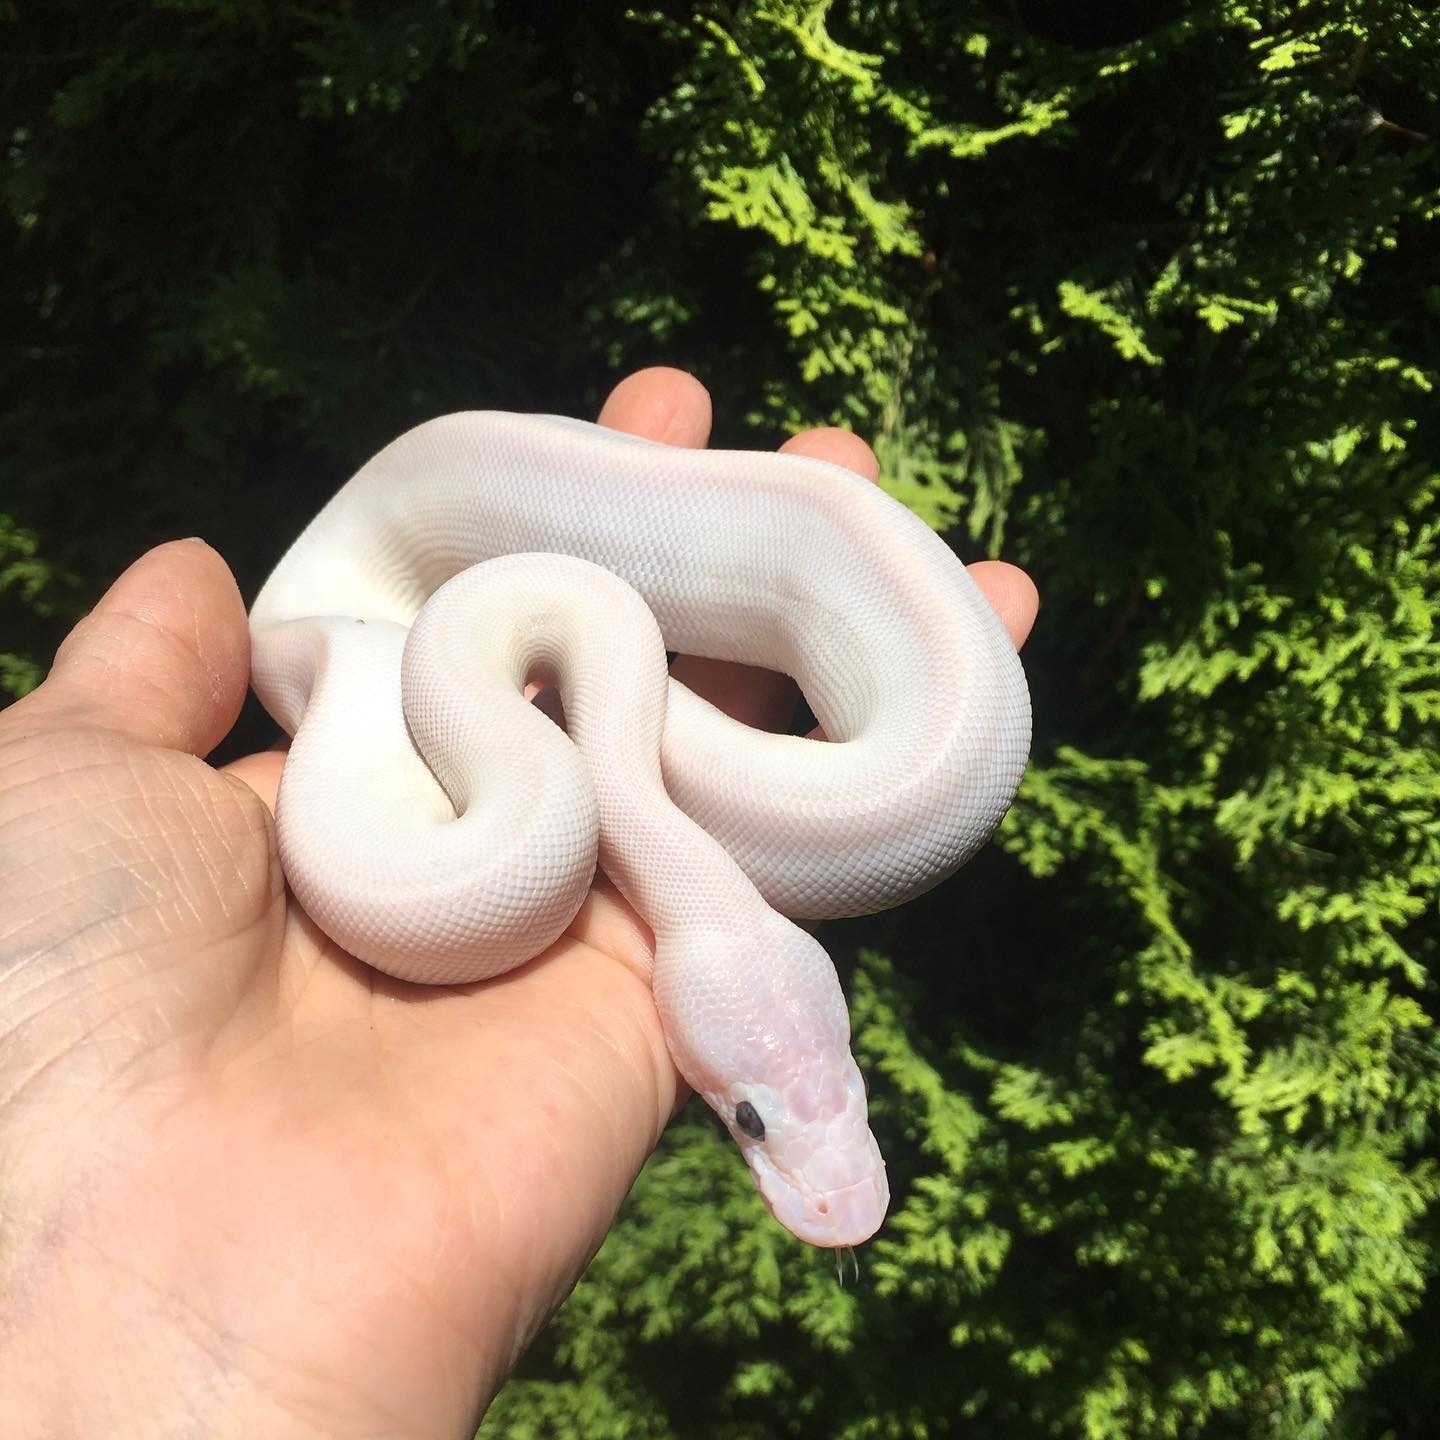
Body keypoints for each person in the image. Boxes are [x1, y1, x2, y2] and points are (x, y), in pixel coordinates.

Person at [0, 367, 1037, 1435]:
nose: (781, 1158)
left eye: (754, 1116)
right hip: (370, 612)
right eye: (748, 1119)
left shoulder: (579, 765)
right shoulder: (563, 783)